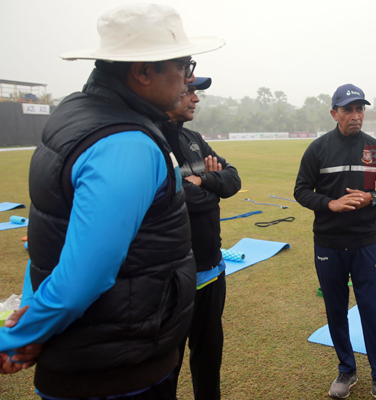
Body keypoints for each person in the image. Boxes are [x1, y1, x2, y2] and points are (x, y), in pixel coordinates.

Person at [0, 4, 224, 400]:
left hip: (91, 356)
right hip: (116, 370)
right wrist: (25, 333)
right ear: (142, 71)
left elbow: (49, 236)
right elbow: (86, 273)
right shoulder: (126, 143)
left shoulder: (77, 111)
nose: (189, 79)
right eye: (184, 65)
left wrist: (35, 318)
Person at [294, 84, 376, 400]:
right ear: (334, 113)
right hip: (327, 243)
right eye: (348, 110)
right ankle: (346, 370)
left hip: (366, 243)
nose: (356, 116)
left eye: (360, 109)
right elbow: (301, 190)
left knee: (372, 309)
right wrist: (330, 204)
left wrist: (373, 197)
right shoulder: (318, 149)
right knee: (336, 309)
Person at [165, 76, 241, 400]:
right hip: (171, 282)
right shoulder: (151, 141)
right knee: (165, 369)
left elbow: (234, 178)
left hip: (212, 271)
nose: (195, 99)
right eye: (190, 91)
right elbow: (174, 197)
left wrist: (204, 180)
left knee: (208, 361)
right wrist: (212, 187)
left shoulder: (194, 139)